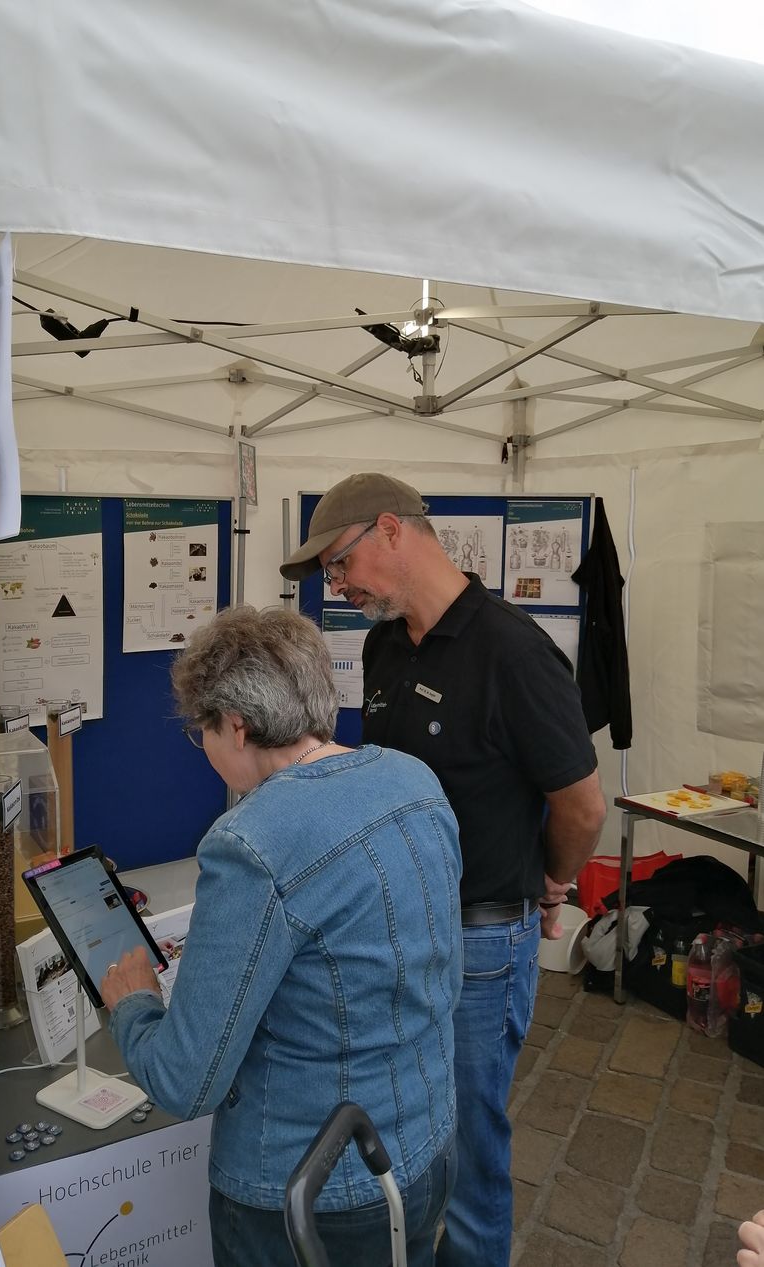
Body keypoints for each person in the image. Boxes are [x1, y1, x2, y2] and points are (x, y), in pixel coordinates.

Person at [280, 473, 607, 1267]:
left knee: (470, 1149)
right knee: (412, 1130)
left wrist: (551, 882)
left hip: (482, 943)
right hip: (400, 935)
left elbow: (583, 806)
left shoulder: (515, 651)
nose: (338, 586)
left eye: (338, 564)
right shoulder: (387, 644)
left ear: (390, 530)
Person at [101, 605, 464, 1267]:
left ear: (236, 726)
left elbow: (188, 1081)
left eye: (199, 730)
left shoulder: (250, 842)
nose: (203, 749)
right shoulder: (415, 781)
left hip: (308, 1194)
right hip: (424, 1146)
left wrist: (133, 1004)